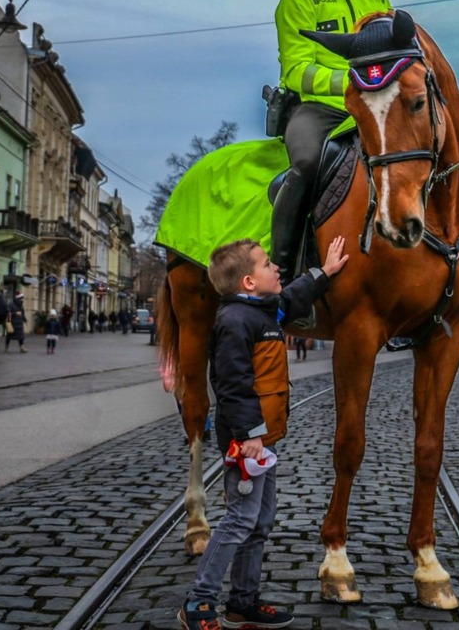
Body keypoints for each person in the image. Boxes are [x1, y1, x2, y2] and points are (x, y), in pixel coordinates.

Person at [178, 235, 350, 630]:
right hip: (247, 442)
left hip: (262, 440)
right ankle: (198, 601)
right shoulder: (234, 321)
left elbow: (291, 297)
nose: (277, 267)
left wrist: (324, 272)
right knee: (240, 520)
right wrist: (250, 436)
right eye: (268, 263)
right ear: (249, 282)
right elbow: (233, 385)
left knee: (260, 521)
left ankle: (243, 602)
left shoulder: (264, 311)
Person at [269, 0, 392, 285]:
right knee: (306, 164)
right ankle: (282, 275)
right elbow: (296, 71)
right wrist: (349, 83)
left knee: (426, 149)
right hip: (318, 109)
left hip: (374, 104)